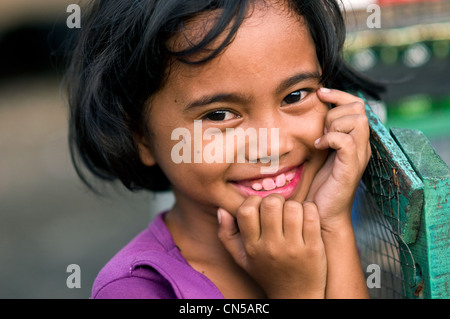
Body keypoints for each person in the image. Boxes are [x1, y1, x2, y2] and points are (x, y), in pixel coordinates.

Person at [67, 0, 385, 299]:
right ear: (142, 137)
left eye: (295, 96)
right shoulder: (136, 288)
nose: (272, 146)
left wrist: (333, 224)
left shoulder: (319, 232)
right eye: (219, 115)